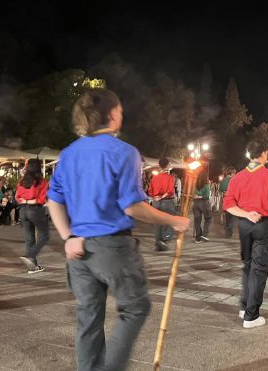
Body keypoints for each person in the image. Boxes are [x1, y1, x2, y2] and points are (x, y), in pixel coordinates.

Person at [47, 88, 189, 370]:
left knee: (88, 316)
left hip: (78, 249)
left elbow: (53, 199)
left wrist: (68, 237)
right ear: (112, 115)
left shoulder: (70, 153)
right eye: (121, 111)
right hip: (112, 246)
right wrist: (172, 220)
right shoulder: (123, 152)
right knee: (135, 307)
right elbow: (132, 207)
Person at [223, 141, 268, 329]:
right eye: (267, 153)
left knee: (248, 266)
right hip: (262, 224)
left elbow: (229, 204)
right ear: (263, 154)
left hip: (244, 225)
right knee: (259, 269)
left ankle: (244, 305)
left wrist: (246, 213)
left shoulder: (237, 177)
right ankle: (251, 315)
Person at [14, 159, 51, 273]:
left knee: (29, 238)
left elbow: (17, 197)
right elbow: (41, 200)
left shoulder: (21, 182)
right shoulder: (42, 182)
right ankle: (30, 255)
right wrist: (32, 201)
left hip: (23, 211)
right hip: (35, 210)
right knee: (45, 235)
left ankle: (33, 266)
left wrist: (25, 200)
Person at [148, 158, 176, 251]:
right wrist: (162, 197)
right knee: (169, 220)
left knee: (157, 223)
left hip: (156, 202)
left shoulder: (154, 177)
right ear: (167, 165)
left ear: (159, 166)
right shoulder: (170, 177)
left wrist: (155, 197)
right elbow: (170, 191)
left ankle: (157, 242)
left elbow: (150, 191)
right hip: (167, 202)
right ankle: (165, 239)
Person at [192, 171, 212, 243]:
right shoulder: (206, 185)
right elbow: (207, 196)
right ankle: (204, 235)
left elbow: (193, 194)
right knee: (208, 218)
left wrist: (197, 196)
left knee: (197, 221)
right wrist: (201, 196)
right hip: (204, 203)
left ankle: (198, 237)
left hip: (196, 204)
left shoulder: (195, 185)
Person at [219, 167, 236, 237]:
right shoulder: (233, 180)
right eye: (234, 173)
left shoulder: (223, 180)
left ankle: (227, 229)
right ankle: (229, 231)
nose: (235, 174)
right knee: (231, 217)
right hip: (231, 200)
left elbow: (220, 190)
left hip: (224, 199)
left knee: (227, 216)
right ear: (232, 173)